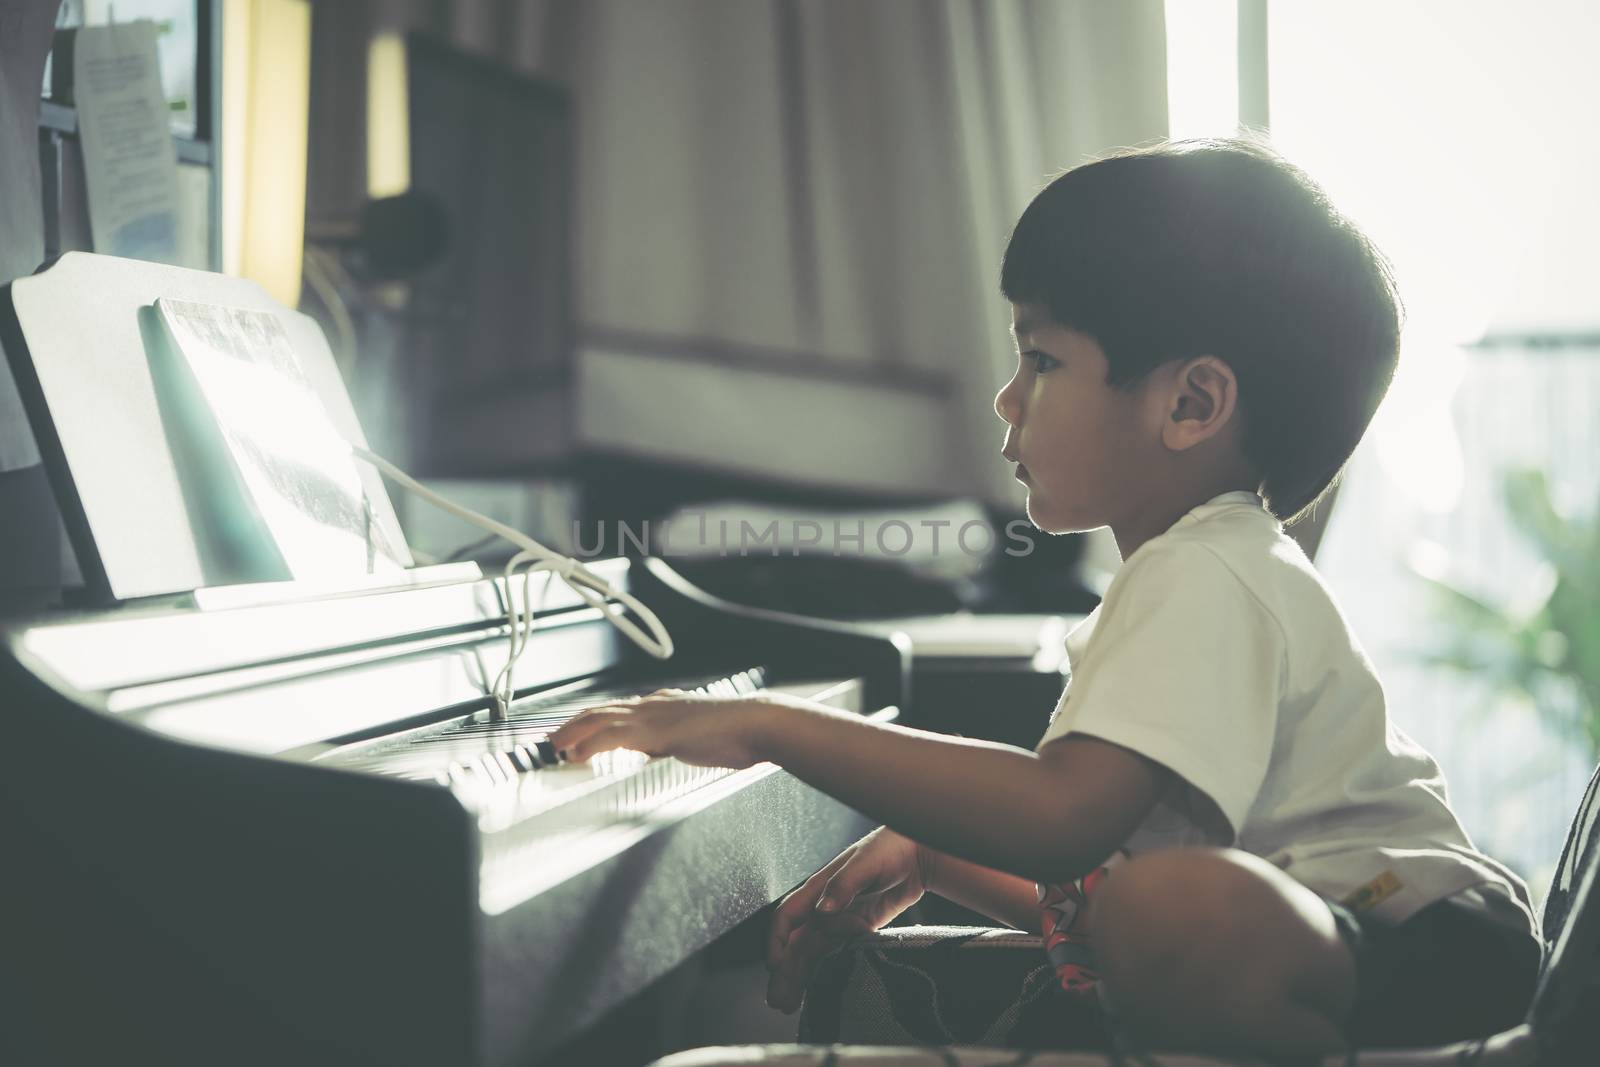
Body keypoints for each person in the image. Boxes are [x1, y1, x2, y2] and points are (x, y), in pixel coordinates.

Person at [548, 138, 1543, 1058]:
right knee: (1148, 908)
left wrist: (766, 725)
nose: (1005, 395)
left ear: (1191, 404)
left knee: (1170, 909)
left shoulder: (1205, 570)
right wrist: (936, 854)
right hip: (1370, 942)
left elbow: (1060, 818)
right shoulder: (1201, 566)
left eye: (1042, 357)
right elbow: (1089, 870)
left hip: (1422, 949)